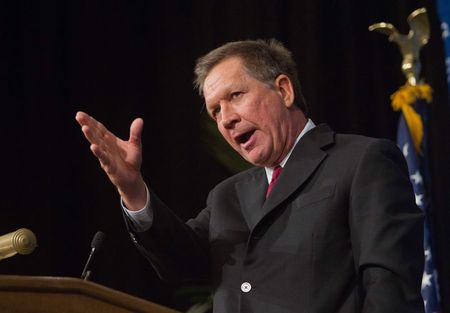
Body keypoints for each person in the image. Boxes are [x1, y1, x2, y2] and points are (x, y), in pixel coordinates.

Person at [76, 39, 425, 313]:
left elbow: (390, 288)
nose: (225, 118)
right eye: (215, 110)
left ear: (284, 90)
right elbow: (181, 264)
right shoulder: (227, 195)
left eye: (236, 96)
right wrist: (133, 189)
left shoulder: (361, 161)